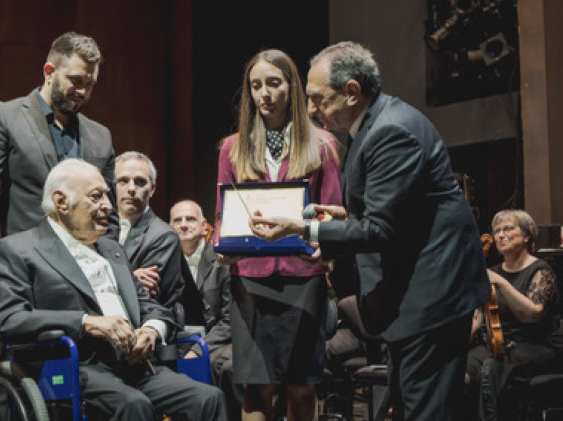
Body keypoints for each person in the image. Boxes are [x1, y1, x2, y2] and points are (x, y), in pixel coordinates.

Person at [250, 41, 491, 421]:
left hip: (431, 300)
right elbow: (402, 213)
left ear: (351, 93)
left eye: (317, 99)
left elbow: (380, 230)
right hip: (419, 299)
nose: (310, 110)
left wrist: (304, 228)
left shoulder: (390, 132)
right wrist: (345, 215)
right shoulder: (378, 123)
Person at [0, 158, 226, 420]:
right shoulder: (19, 250)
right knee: (134, 406)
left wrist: (152, 329)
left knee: (209, 398)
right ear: (61, 202)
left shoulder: (111, 249)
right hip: (77, 367)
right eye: (96, 196)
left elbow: (150, 306)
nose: (108, 205)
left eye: (106, 195)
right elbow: (9, 319)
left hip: (136, 365)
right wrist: (87, 322)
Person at [212, 49, 342, 421]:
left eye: (273, 83)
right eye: (256, 86)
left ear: (292, 87)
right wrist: (222, 247)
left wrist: (324, 248)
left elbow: (331, 213)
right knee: (256, 386)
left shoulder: (322, 145)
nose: (264, 94)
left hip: (303, 277)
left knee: (302, 384)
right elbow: (223, 214)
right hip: (250, 280)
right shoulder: (231, 148)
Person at [0, 31, 115, 299]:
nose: (82, 92)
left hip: (81, 281)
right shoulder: (2, 118)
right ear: (49, 72)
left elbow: (107, 213)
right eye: (76, 81)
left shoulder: (101, 136)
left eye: (90, 84)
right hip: (18, 272)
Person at [465, 210, 560, 420]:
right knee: (456, 370)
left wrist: (501, 283)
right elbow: (478, 317)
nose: (500, 235)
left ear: (527, 236)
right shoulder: (492, 272)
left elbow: (533, 314)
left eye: (508, 228)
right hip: (497, 345)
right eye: (497, 231)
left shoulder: (541, 271)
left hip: (535, 345)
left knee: (491, 368)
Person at [169, 199, 240, 420]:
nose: (183, 224)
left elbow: (230, 320)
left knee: (218, 366)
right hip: (178, 340)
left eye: (190, 219)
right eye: (177, 220)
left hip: (217, 340)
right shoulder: (164, 262)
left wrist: (199, 350)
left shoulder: (224, 261)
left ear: (204, 226)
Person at [113, 151, 195, 321]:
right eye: (123, 181)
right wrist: (131, 278)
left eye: (140, 182)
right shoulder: (99, 229)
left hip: (146, 327)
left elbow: (147, 298)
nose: (131, 189)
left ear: (153, 189)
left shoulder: (164, 236)